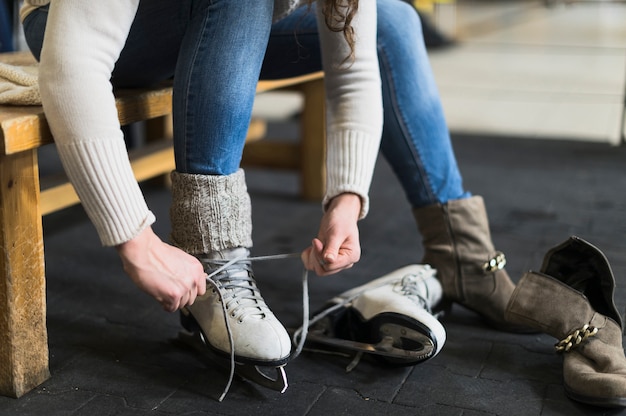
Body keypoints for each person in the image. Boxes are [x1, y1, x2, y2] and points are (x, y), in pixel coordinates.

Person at [20, 0, 524, 377]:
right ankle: (214, 259)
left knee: (391, 21)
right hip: (70, 25)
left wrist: (346, 199)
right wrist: (138, 241)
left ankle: (464, 256)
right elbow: (71, 62)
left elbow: (353, 66)